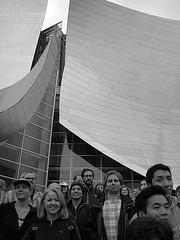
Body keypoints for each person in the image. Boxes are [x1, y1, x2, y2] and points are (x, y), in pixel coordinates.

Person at [146, 163, 180, 238]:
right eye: (159, 180)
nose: (167, 184)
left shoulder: (178, 206)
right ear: (149, 185)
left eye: (169, 179)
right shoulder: (142, 214)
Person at [100, 170, 133, 240]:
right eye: (110, 181)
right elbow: (90, 227)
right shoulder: (97, 205)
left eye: (115, 180)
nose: (113, 183)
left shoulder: (129, 204)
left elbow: (133, 226)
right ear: (105, 186)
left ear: (120, 185)